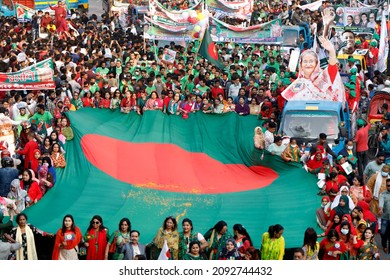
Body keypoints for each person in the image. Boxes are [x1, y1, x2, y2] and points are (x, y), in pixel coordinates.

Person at [281, 36, 345, 103]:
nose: (308, 64)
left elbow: (332, 69)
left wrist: (332, 51)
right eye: (305, 61)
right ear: (301, 64)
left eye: (311, 61)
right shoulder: (297, 84)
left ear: (316, 63)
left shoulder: (323, 78)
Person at [378, 179, 390, 254]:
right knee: (383, 233)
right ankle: (384, 246)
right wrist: (381, 209)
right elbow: (381, 204)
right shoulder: (383, 194)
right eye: (388, 185)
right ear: (386, 186)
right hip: (385, 218)